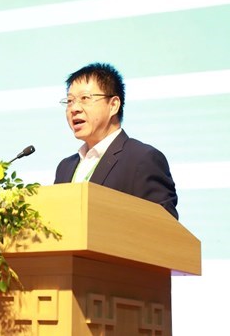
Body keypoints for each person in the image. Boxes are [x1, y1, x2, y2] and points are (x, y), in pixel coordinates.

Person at [54, 62, 179, 219]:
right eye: (70, 101)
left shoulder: (142, 159)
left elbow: (164, 226)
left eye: (85, 98)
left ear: (113, 105)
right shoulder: (65, 167)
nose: (74, 109)